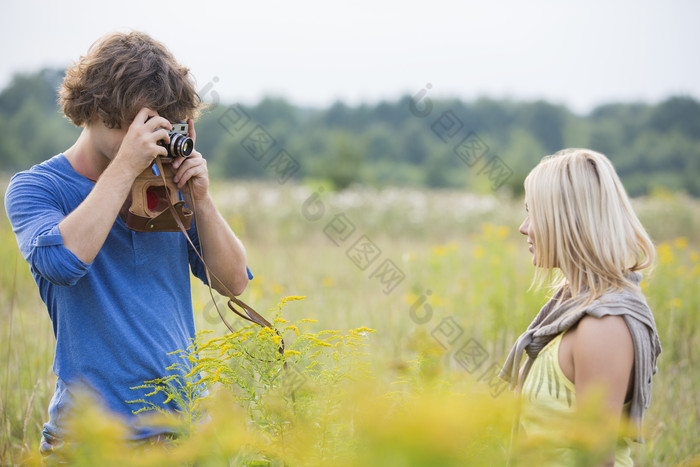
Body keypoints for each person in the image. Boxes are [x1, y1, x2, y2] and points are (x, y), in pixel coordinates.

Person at [4, 31, 251, 457]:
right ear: (100, 110)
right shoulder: (36, 189)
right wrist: (125, 167)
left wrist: (201, 201)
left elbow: (233, 283)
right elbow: (62, 262)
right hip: (89, 444)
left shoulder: (163, 184)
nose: (152, 140)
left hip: (182, 439)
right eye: (144, 123)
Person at [499, 148, 662, 466]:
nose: (524, 227)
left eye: (534, 214)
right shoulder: (569, 312)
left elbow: (596, 460)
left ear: (567, 222)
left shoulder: (603, 326)